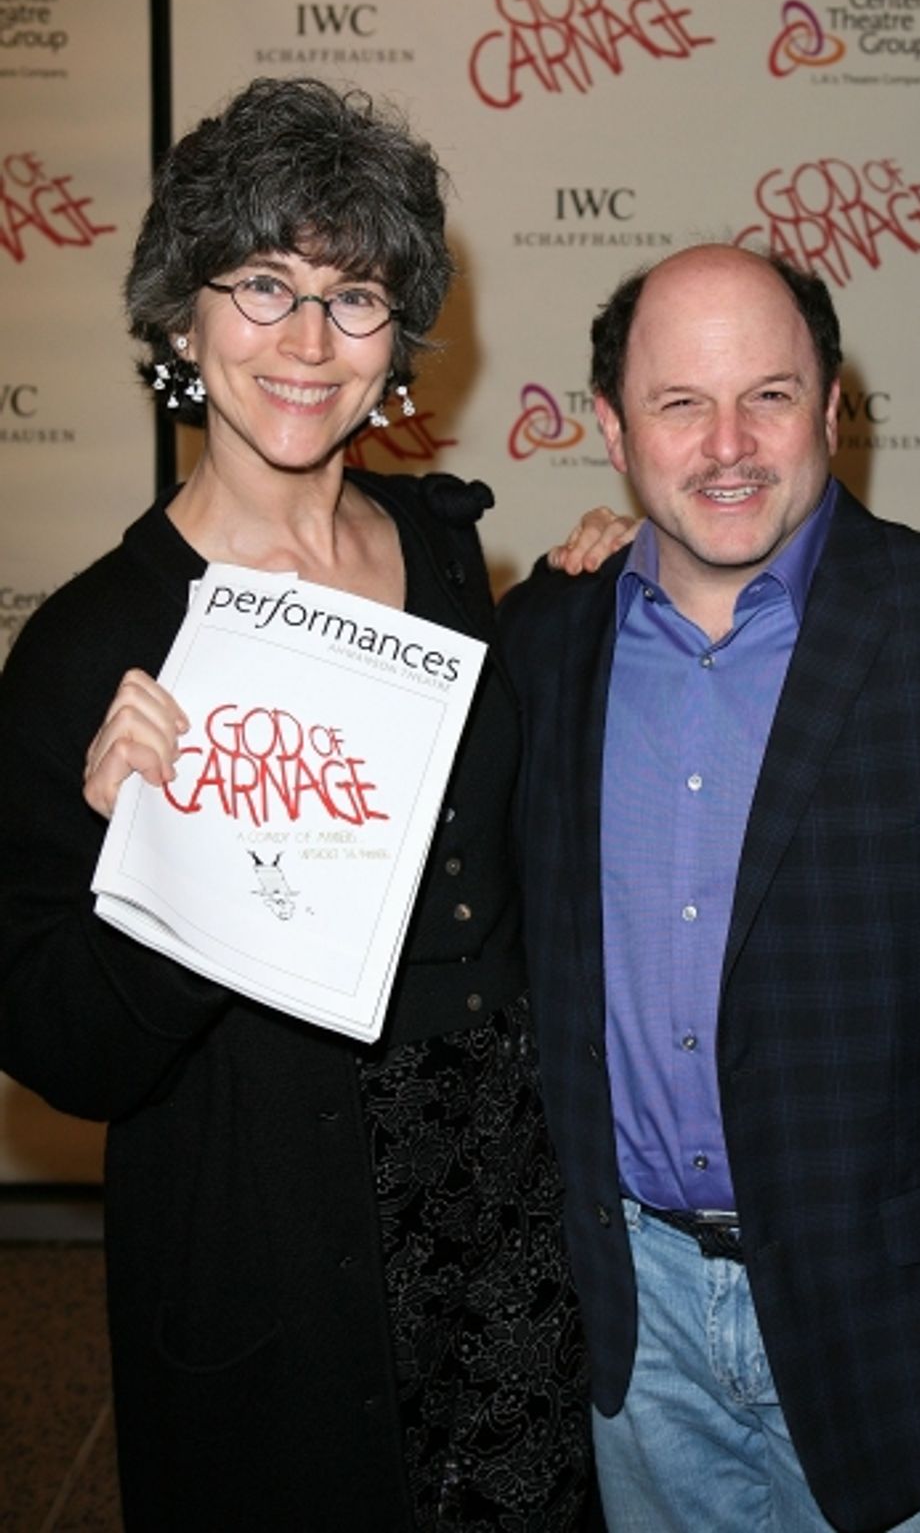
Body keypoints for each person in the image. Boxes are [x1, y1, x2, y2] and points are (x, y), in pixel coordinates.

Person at [0, 77, 628, 1532]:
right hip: (284, 1256)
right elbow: (60, 1048)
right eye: (263, 285)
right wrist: (165, 859)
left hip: (507, 1223)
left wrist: (605, 600)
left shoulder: (451, 556)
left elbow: (512, 843)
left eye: (353, 298)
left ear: (397, 344)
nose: (303, 341)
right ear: (180, 321)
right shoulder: (93, 651)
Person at [497, 244, 920, 1533]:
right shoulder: (544, 639)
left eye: (772, 395)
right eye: (679, 404)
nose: (728, 444)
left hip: (906, 1322)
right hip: (636, 1318)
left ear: (833, 409)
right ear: (612, 431)